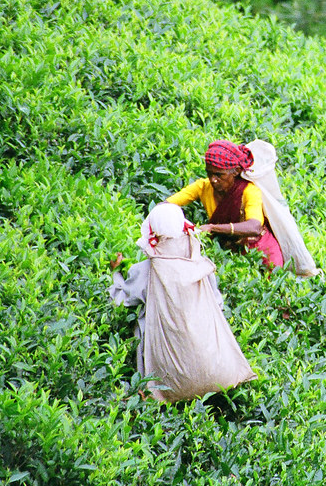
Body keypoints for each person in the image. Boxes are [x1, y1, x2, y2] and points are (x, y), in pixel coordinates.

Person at [107, 202, 256, 403]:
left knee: (143, 321)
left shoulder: (145, 270)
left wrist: (115, 273)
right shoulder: (199, 264)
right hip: (215, 364)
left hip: (170, 367)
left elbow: (121, 301)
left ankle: (157, 391)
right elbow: (218, 304)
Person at [166, 140, 285, 269]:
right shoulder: (203, 187)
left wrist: (212, 228)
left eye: (219, 174)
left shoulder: (249, 191)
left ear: (236, 171)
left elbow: (254, 226)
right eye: (209, 173)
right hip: (231, 252)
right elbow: (168, 204)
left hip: (261, 252)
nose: (213, 179)